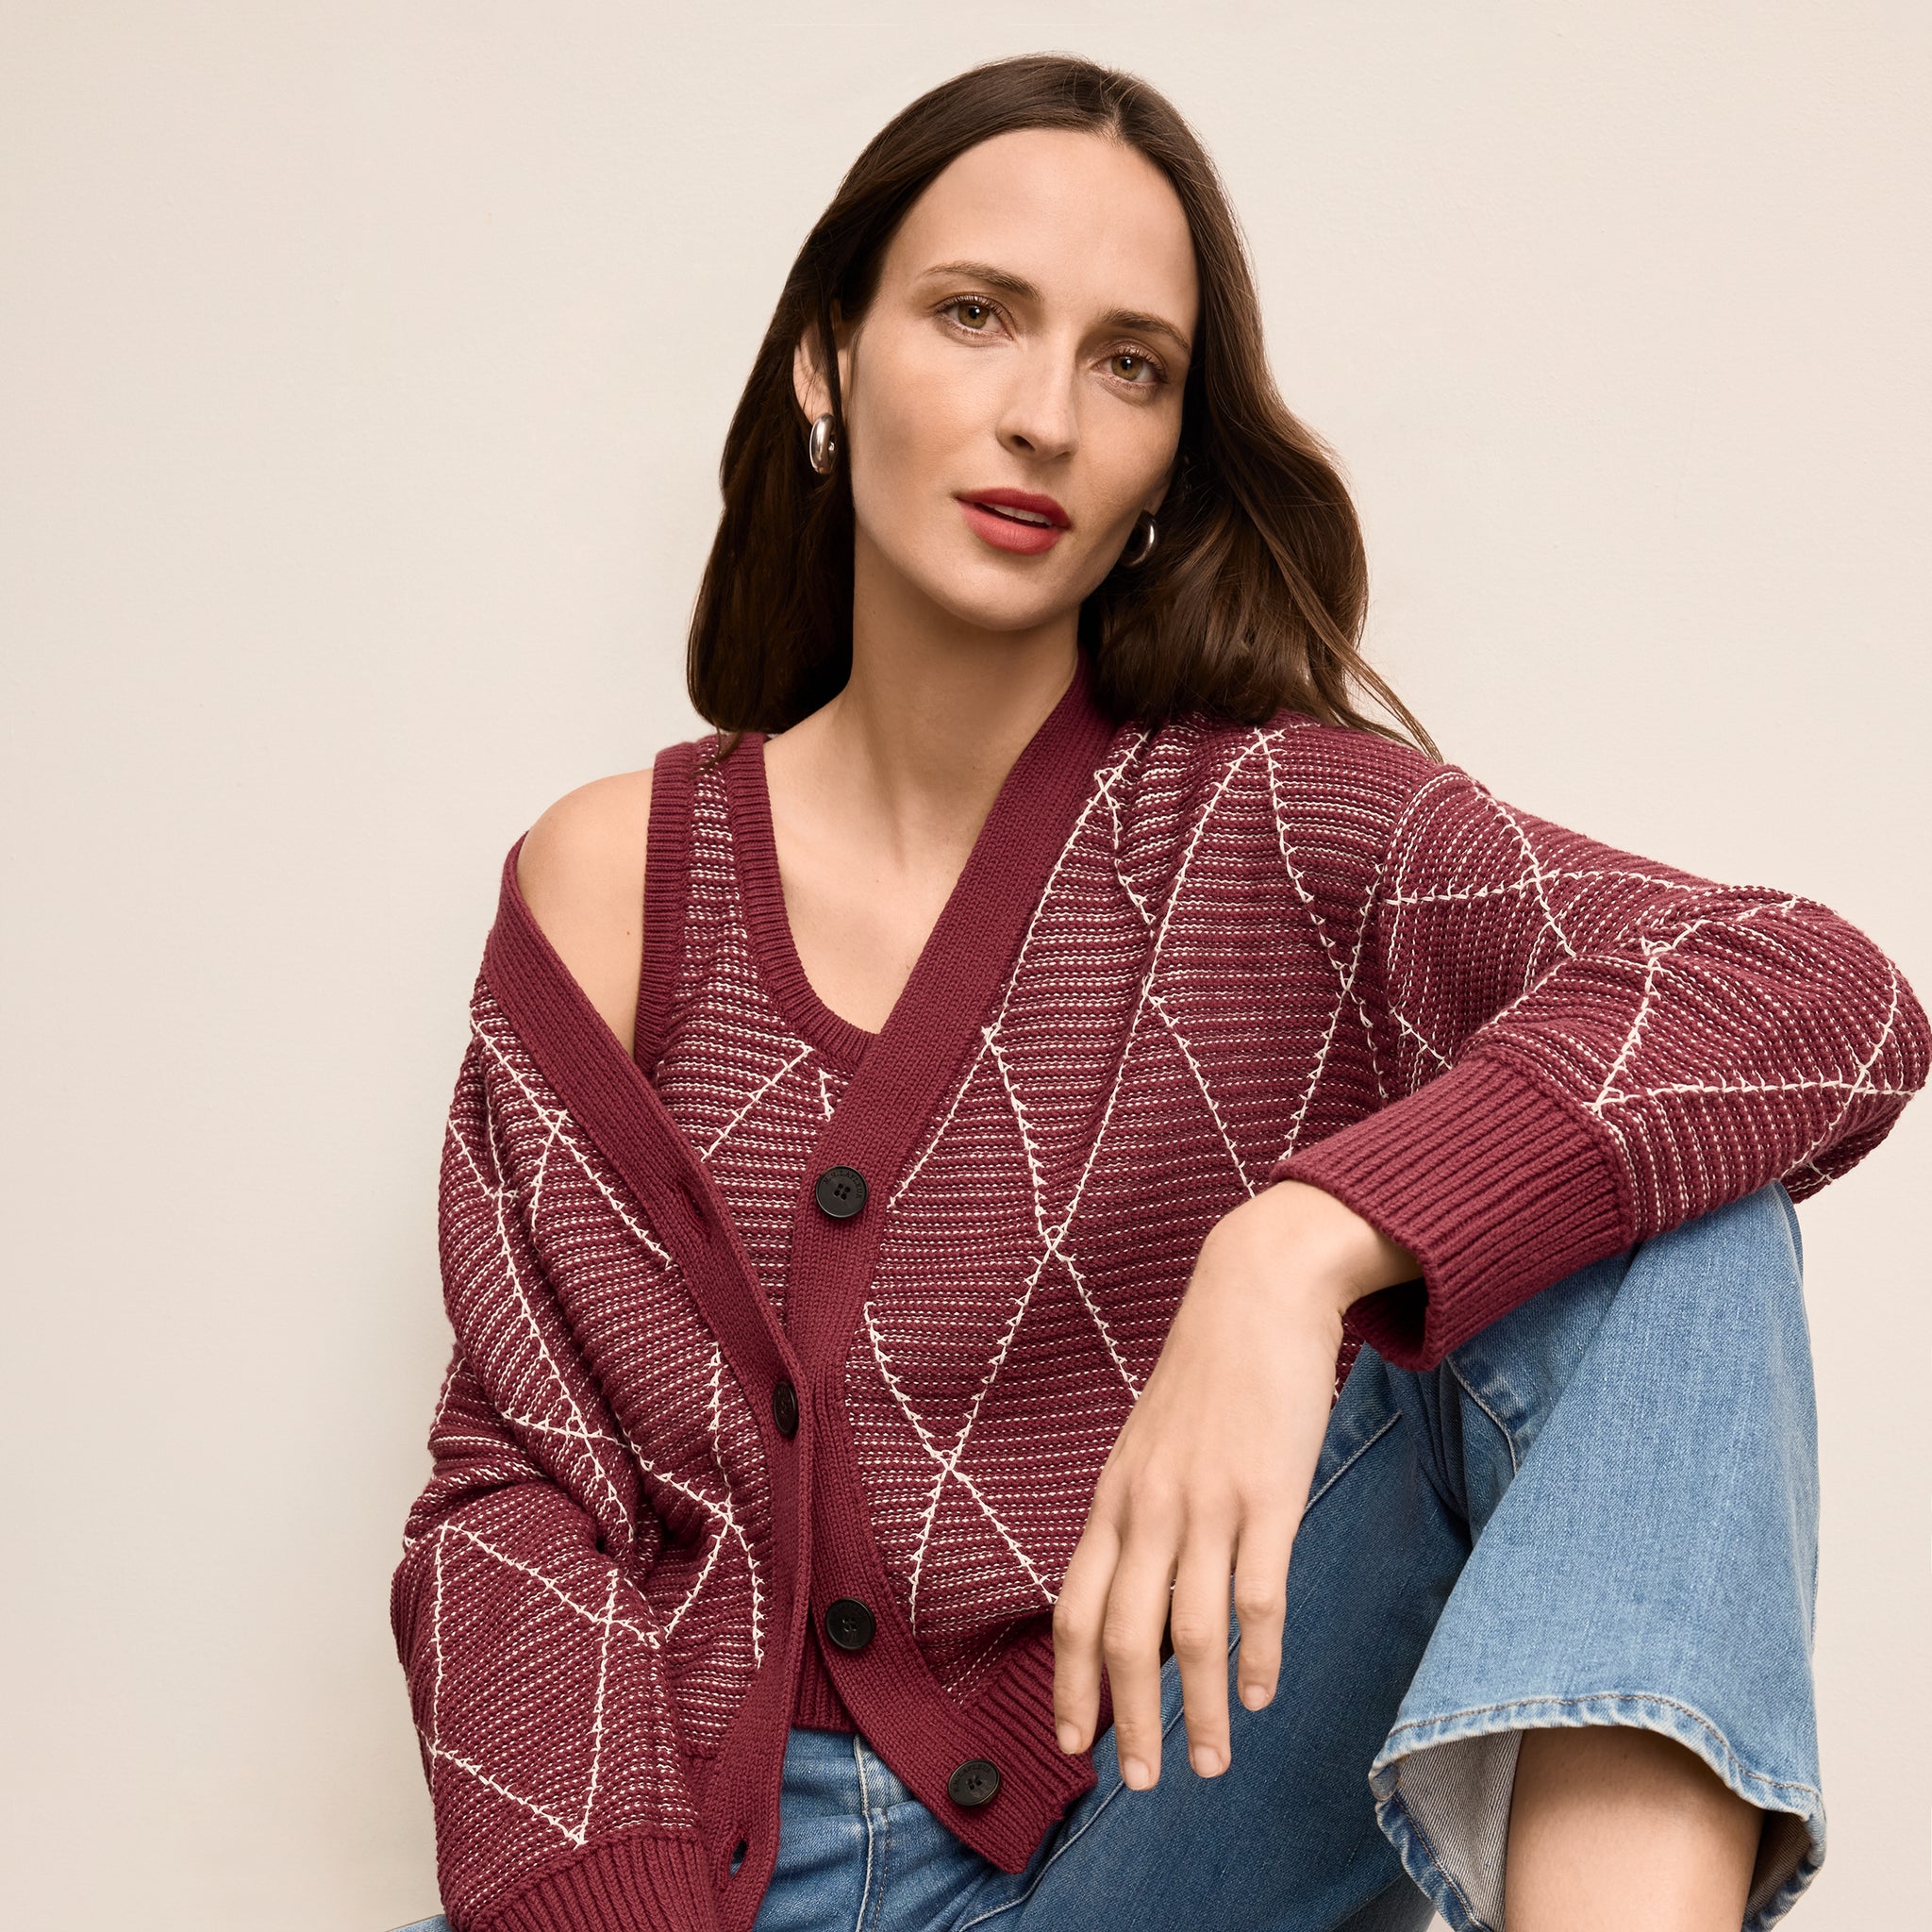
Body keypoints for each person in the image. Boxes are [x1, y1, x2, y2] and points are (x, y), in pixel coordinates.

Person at [388, 54, 1925, 1932]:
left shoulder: (1269, 822)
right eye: (972, 316)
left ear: (1166, 461)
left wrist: (1292, 1248)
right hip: (716, 1889)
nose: (1041, 413)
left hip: (1150, 1843)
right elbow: (524, 1495)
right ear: (825, 361)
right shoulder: (619, 880)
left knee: (1684, 1212)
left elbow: (1808, 989)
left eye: (1127, 364)